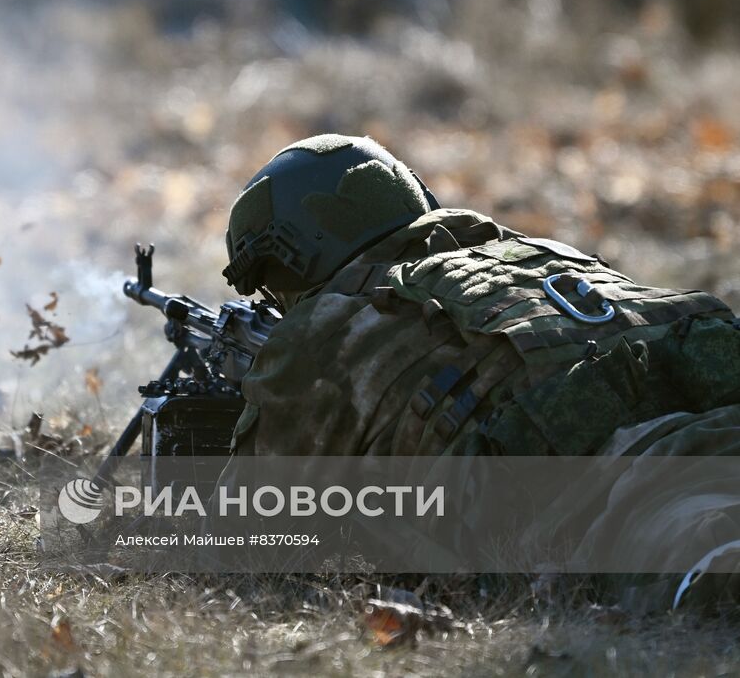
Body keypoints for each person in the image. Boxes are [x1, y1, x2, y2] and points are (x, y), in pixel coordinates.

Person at [218, 133, 740, 608]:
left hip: (626, 497)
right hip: (716, 426)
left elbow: (240, 532)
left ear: (293, 257)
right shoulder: (541, 253)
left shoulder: (324, 327)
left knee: (705, 560)